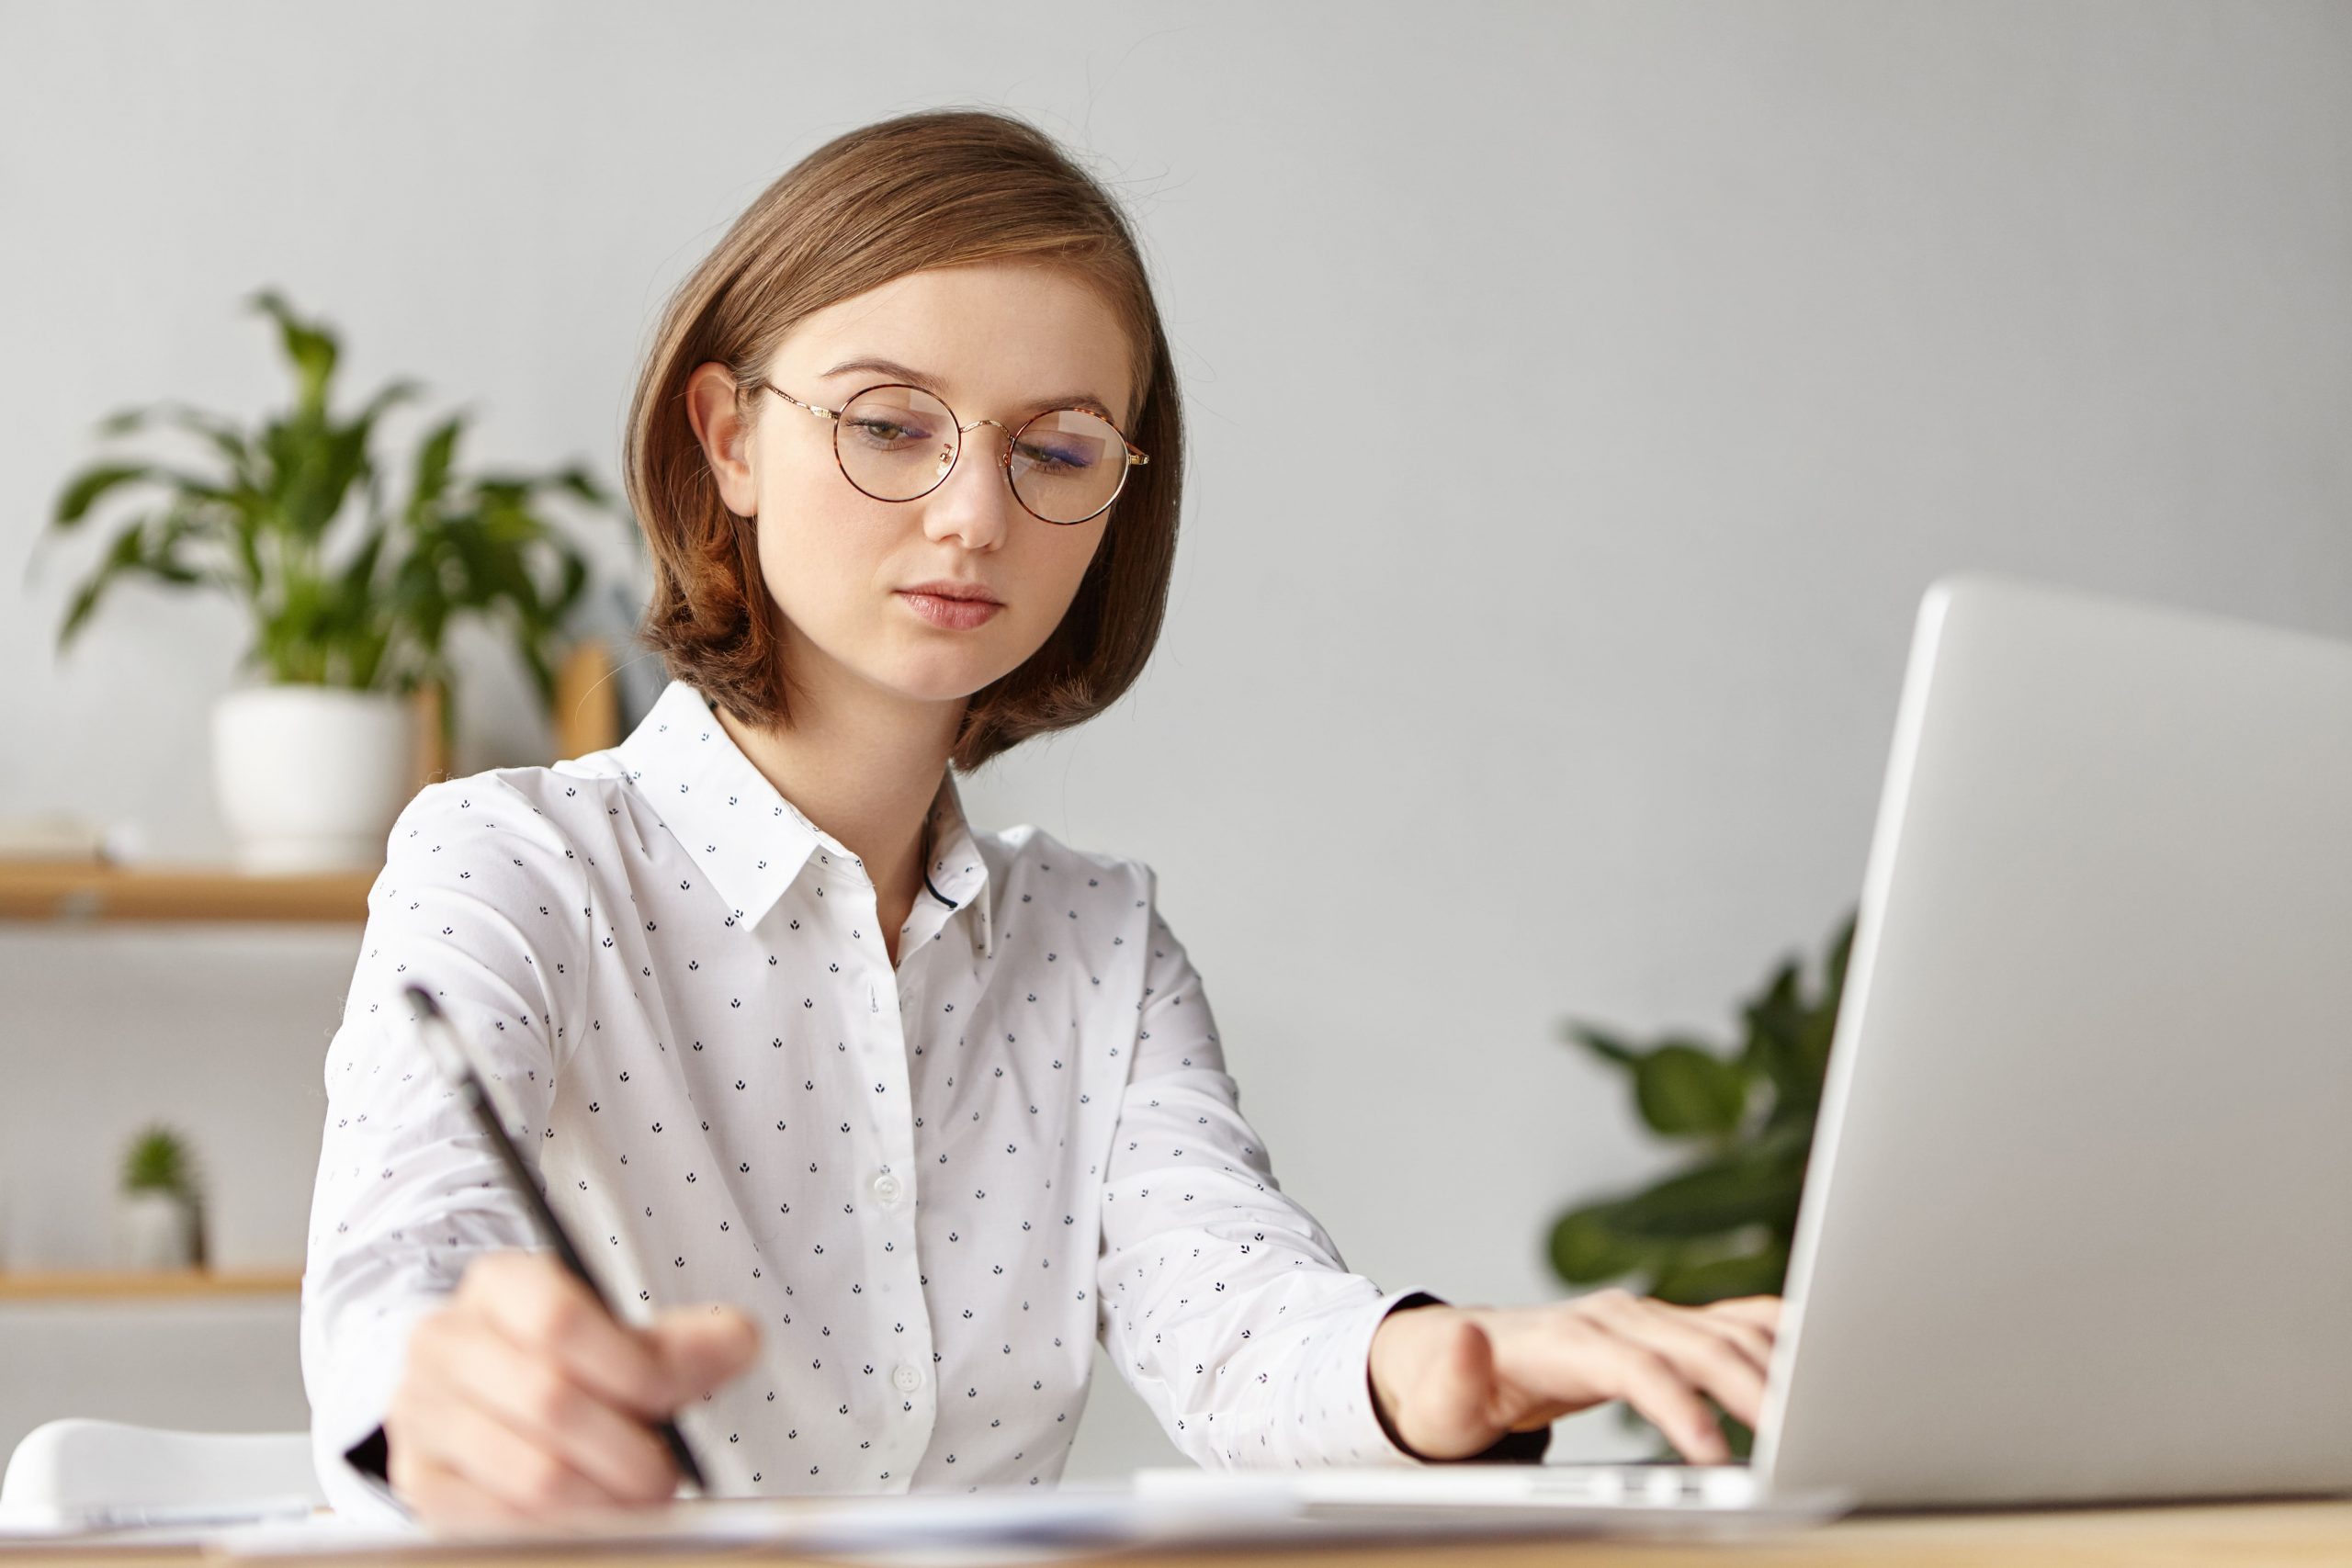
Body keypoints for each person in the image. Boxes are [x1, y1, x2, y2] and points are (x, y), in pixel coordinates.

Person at [299, 107, 1781, 1529]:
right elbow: (407, 1242)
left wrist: (1442, 1366)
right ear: (729, 439)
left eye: (1057, 452)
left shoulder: (1096, 943)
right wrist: (442, 1391)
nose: (972, 515)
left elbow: (1233, 1314)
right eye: (892, 426)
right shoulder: (509, 861)